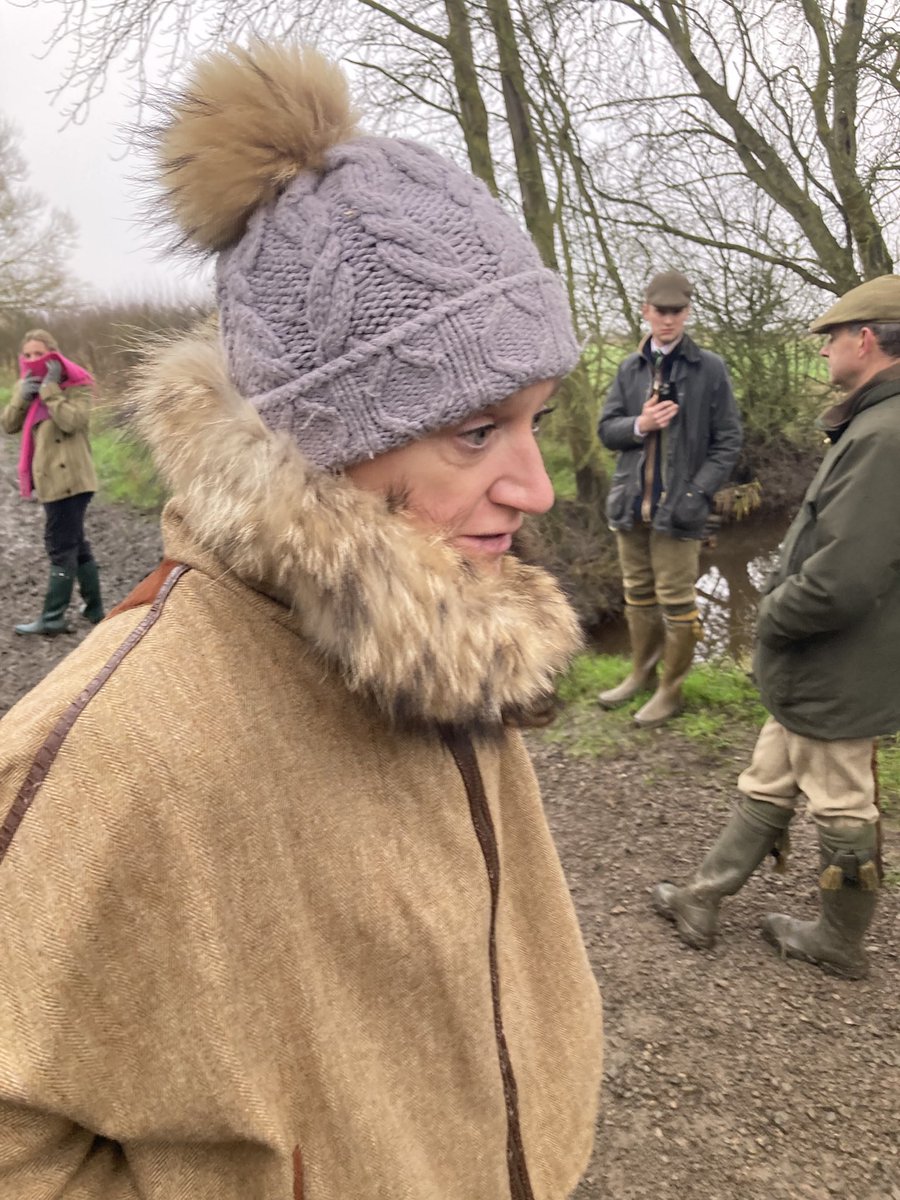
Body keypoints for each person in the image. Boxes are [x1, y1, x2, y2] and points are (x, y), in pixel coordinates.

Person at [0, 42, 602, 1199]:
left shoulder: (445, 633)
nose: (538, 487)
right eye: (477, 430)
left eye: (537, 419)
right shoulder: (121, 745)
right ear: (315, 439)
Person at [652, 275, 900, 981]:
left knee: (843, 801)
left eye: (829, 338)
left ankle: (839, 942)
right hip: (826, 659)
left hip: (840, 658)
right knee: (769, 776)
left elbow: (846, 578)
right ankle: (702, 898)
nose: (821, 351)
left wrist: (770, 618)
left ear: (865, 339)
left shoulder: (886, 435)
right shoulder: (876, 421)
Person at [597, 273, 742, 727]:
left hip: (681, 509)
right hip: (630, 504)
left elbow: (729, 440)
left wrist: (698, 493)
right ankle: (640, 673)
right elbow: (607, 431)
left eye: (676, 311)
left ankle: (670, 690)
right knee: (637, 595)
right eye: (660, 311)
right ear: (646, 311)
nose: (668, 320)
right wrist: (640, 424)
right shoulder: (628, 368)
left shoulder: (709, 368)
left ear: (687, 313)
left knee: (678, 601)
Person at [1, 329, 104, 634]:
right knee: (75, 543)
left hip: (72, 479)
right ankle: (95, 608)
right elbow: (8, 425)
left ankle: (53, 617)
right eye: (28, 355)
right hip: (49, 480)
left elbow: (74, 422)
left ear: (54, 355)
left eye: (39, 354)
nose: (33, 360)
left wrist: (50, 392)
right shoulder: (26, 385)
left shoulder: (77, 384)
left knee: (59, 545)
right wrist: (23, 395)